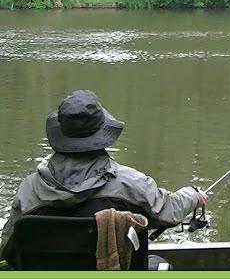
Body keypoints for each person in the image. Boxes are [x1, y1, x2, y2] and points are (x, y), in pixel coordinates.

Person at [0, 89, 207, 262]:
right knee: (159, 265)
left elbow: (7, 248)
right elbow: (169, 211)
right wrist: (193, 195)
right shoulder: (130, 184)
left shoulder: (29, 190)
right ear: (102, 134)